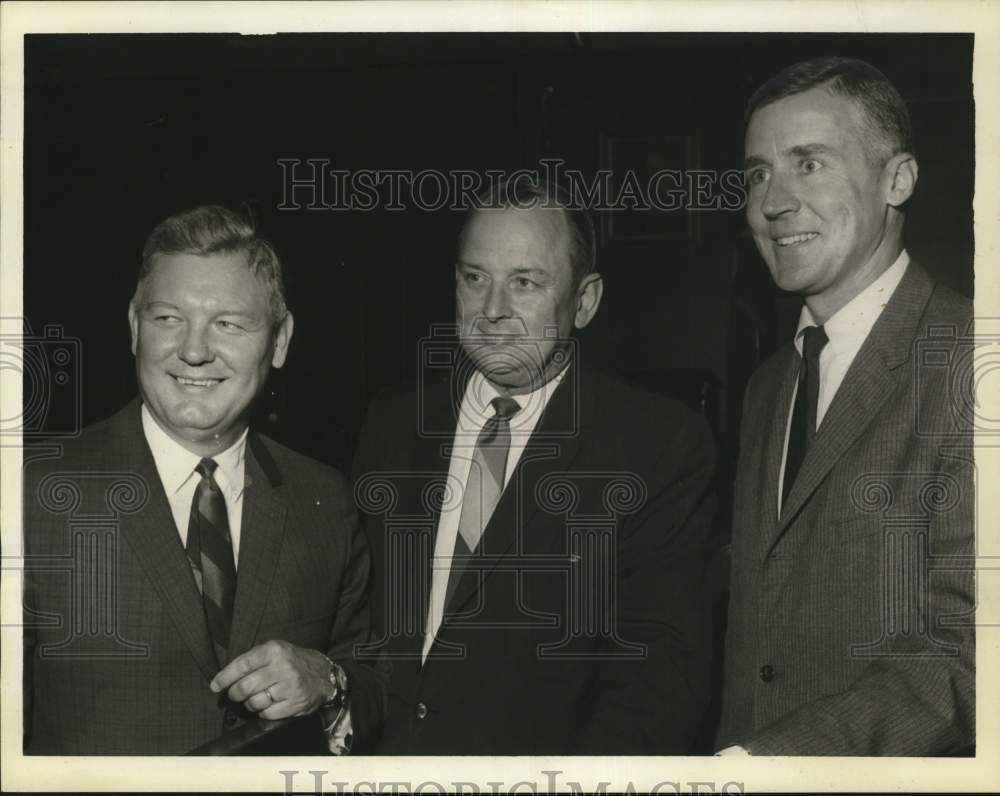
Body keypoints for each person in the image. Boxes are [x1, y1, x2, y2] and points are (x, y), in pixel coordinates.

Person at [353, 178, 717, 754]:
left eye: (525, 282)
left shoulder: (655, 446)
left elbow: (657, 683)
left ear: (585, 301)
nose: (493, 310)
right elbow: (361, 629)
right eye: (475, 278)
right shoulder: (394, 421)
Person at [23, 205, 384, 754]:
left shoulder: (325, 501)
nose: (194, 351)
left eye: (228, 324)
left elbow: (374, 683)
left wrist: (328, 683)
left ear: (280, 341)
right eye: (168, 318)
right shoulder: (30, 493)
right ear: (134, 327)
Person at [717, 57, 975, 755]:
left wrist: (764, 765)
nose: (773, 202)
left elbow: (968, 661)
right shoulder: (767, 386)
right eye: (758, 174)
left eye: (810, 164)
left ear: (898, 180)